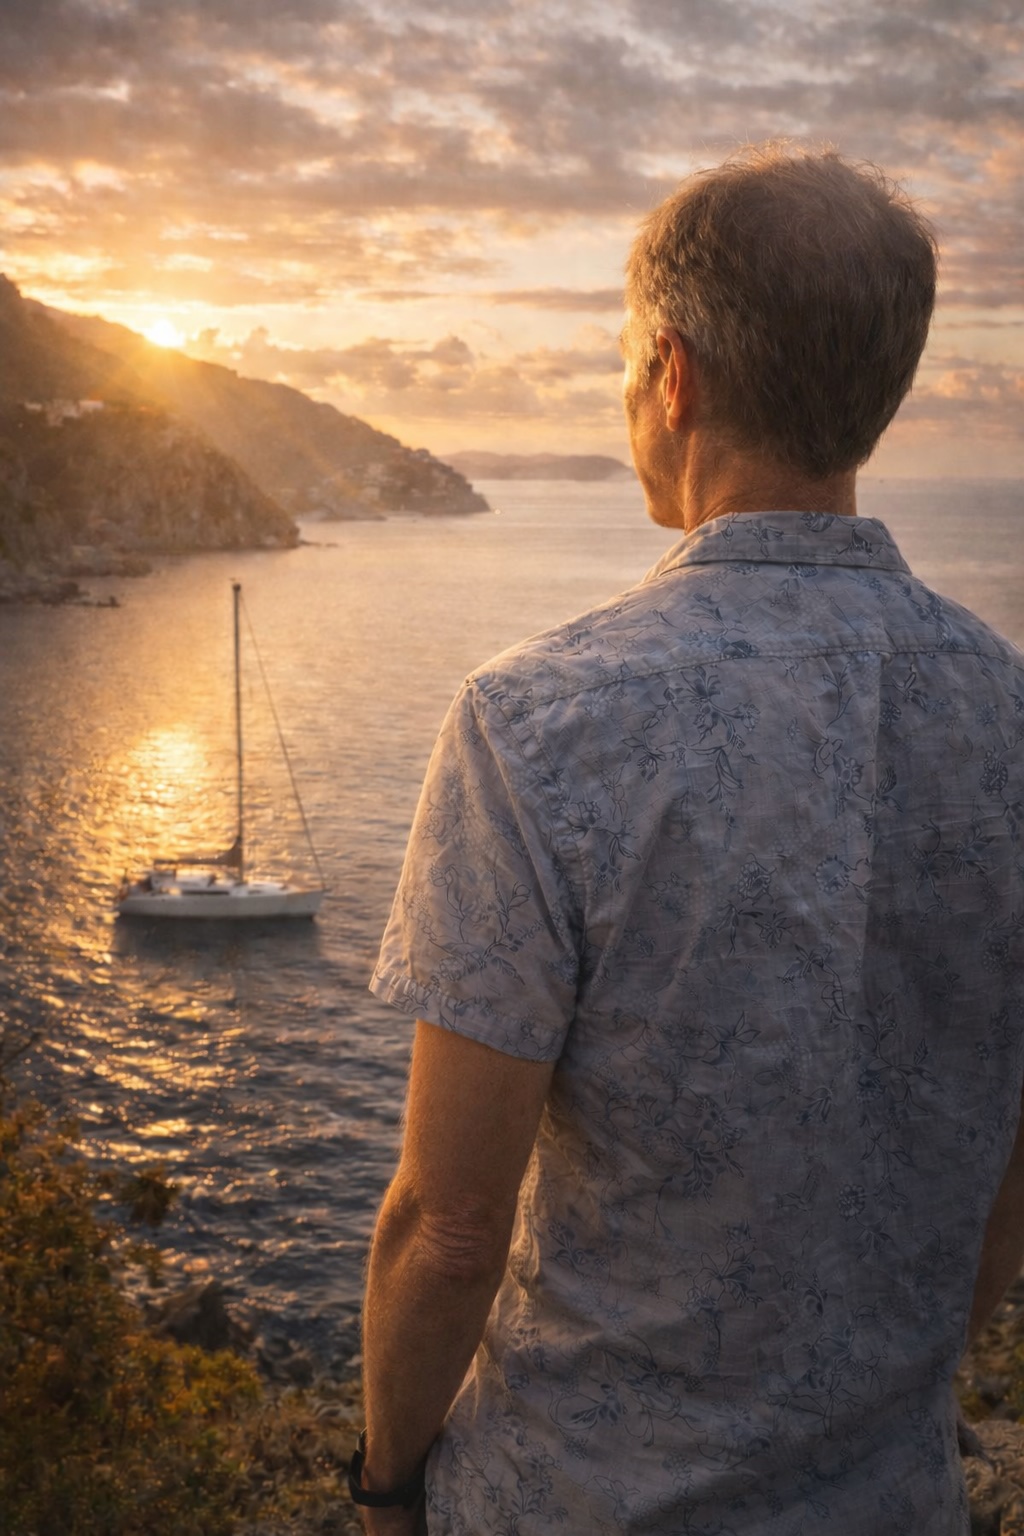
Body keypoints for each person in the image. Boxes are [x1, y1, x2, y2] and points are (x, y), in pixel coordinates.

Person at [352, 145, 1024, 1535]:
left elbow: (451, 1226)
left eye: (620, 361)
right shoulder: (1009, 713)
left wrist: (386, 1479)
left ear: (674, 373)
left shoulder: (536, 723)